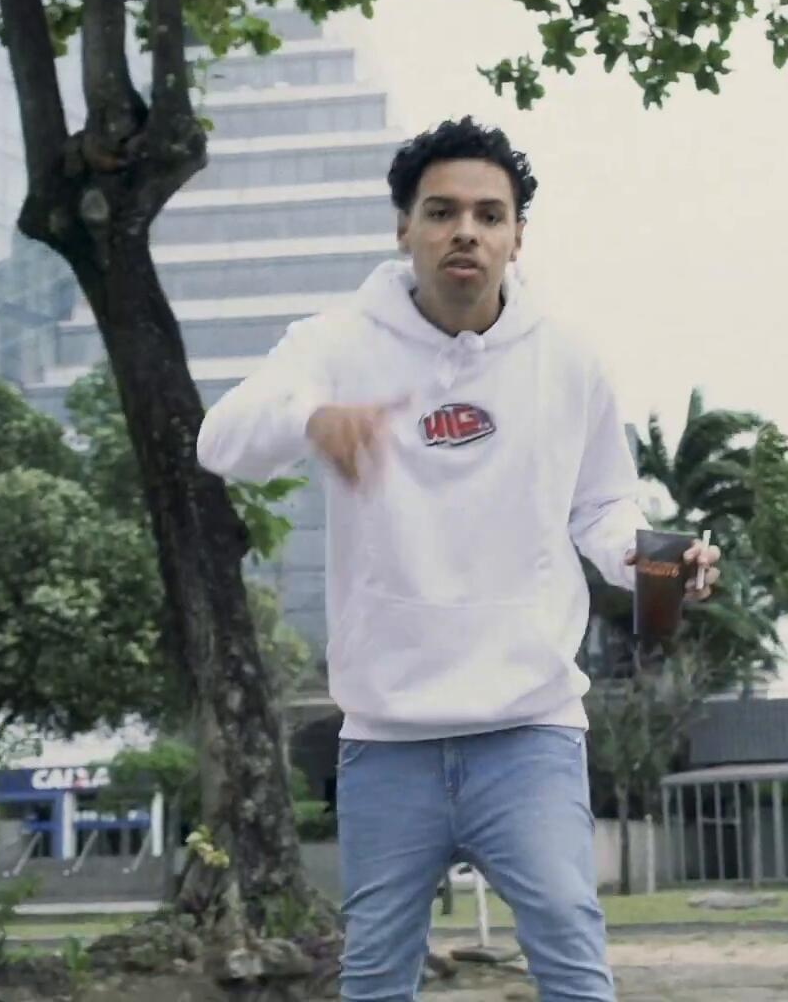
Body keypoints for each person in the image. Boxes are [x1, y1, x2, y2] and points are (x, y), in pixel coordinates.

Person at [199, 116, 719, 1001]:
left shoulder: (570, 359)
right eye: (441, 212)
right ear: (404, 227)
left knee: (572, 959)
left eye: (489, 214)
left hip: (530, 726)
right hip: (387, 735)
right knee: (374, 977)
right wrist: (310, 418)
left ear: (519, 235)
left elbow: (602, 508)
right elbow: (220, 442)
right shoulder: (333, 343)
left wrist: (653, 563)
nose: (465, 232)